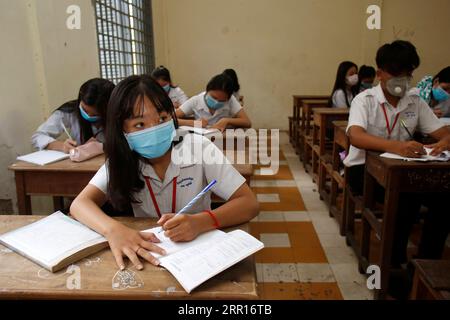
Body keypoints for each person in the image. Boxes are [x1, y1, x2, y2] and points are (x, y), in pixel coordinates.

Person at [70, 75, 259, 270]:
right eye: (140, 124)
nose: (155, 129)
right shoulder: (123, 159)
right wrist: (113, 230)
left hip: (199, 251)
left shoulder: (199, 148)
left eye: (162, 118)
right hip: (152, 253)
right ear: (121, 130)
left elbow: (249, 203)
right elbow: (79, 205)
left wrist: (201, 222)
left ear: (171, 115)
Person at [344, 40, 450, 298]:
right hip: (364, 170)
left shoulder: (414, 102)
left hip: (404, 171)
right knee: (405, 200)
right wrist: (395, 146)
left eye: (408, 73)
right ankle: (392, 266)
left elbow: (441, 131)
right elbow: (355, 136)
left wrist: (446, 140)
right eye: (396, 72)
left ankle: (425, 265)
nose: (402, 79)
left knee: (444, 199)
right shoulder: (365, 100)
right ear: (380, 73)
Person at [31, 78, 115, 153]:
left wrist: (101, 147)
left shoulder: (120, 114)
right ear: (80, 100)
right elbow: (37, 137)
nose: (88, 116)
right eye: (84, 110)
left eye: (95, 114)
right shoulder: (69, 112)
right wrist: (61, 146)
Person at [176, 74, 251, 132]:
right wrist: (194, 123)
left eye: (222, 101)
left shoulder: (231, 100)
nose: (216, 102)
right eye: (214, 97)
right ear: (207, 90)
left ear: (228, 98)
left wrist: (226, 120)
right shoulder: (196, 101)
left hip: (223, 140)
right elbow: (170, 119)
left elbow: (247, 122)